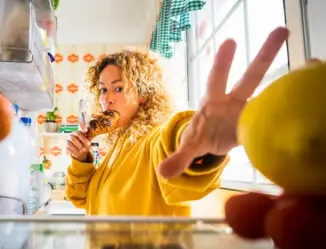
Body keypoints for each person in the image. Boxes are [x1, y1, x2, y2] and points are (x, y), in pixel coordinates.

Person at [65, 27, 289, 217]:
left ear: (143, 93)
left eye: (118, 88)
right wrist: (82, 160)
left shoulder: (153, 139)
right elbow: (81, 199)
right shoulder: (118, 146)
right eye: (103, 89)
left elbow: (173, 148)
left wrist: (200, 140)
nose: (107, 98)